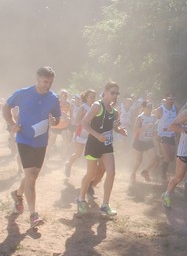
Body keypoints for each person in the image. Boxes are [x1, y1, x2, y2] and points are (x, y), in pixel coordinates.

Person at [3, 66, 61, 228]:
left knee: (33, 176)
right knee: (30, 176)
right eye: (44, 81)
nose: (47, 85)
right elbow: (6, 107)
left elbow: (57, 117)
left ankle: (17, 194)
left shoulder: (53, 98)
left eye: (50, 82)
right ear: (37, 79)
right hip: (24, 139)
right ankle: (33, 214)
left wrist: (54, 121)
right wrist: (12, 124)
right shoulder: (23, 93)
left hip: (41, 142)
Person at [76, 82, 127, 217]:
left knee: (111, 172)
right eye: (112, 92)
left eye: (117, 93)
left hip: (107, 145)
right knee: (91, 173)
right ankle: (81, 199)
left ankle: (105, 205)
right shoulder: (97, 106)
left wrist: (119, 130)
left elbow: (113, 127)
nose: (115, 96)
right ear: (105, 92)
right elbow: (84, 123)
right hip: (94, 144)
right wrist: (97, 135)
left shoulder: (115, 112)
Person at [65, 89, 96, 177]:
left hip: (91, 134)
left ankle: (90, 175)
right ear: (86, 97)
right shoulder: (83, 107)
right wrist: (86, 122)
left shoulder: (96, 107)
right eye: (91, 97)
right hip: (81, 134)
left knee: (91, 154)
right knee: (78, 154)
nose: (93, 99)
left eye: (94, 97)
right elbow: (76, 120)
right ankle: (69, 164)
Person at [130, 100, 159, 183]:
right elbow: (135, 130)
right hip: (139, 141)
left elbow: (153, 128)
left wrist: (154, 133)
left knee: (154, 158)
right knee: (139, 160)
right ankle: (133, 173)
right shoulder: (140, 117)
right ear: (143, 108)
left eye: (151, 107)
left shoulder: (153, 117)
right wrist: (145, 128)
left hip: (149, 141)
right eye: (148, 107)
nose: (150, 109)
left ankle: (145, 171)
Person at [153, 93, 178, 182]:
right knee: (167, 156)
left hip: (171, 134)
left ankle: (159, 158)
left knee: (171, 157)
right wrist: (155, 129)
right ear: (166, 99)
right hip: (162, 134)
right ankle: (163, 175)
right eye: (170, 98)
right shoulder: (161, 109)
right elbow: (154, 117)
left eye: (173, 98)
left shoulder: (175, 108)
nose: (172, 100)